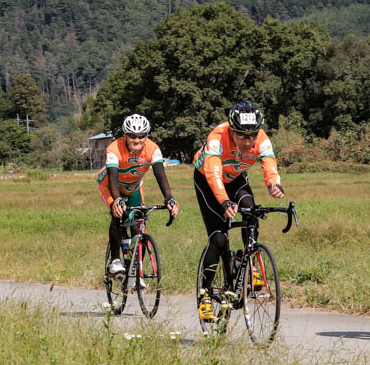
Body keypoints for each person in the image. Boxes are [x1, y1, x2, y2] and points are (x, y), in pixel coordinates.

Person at [192, 101, 284, 322]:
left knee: (250, 211)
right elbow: (213, 173)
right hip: (207, 180)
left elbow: (269, 162)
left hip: (235, 178)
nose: (249, 140)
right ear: (232, 130)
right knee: (219, 238)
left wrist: (273, 183)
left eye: (252, 135)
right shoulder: (217, 137)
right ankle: (204, 294)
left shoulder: (260, 138)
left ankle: (247, 257)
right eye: (243, 136)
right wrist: (224, 201)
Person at [99, 114, 178, 279]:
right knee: (118, 214)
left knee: (138, 222)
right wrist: (117, 201)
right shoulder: (114, 149)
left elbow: (160, 175)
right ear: (125, 136)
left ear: (147, 135)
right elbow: (112, 178)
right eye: (132, 136)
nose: (137, 139)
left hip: (134, 188)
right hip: (110, 186)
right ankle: (114, 260)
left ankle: (135, 270)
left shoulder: (153, 149)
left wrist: (169, 198)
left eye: (141, 136)